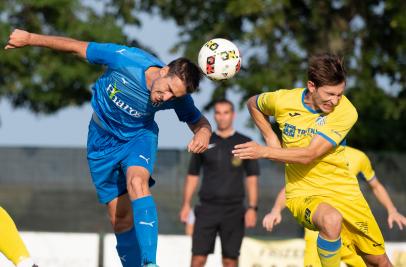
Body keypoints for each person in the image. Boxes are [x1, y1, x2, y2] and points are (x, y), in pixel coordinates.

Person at [5, 29, 212, 267]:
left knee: (137, 182)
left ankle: (150, 263)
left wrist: (204, 132)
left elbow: (198, 121)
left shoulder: (177, 98)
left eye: (173, 96)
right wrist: (30, 39)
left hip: (138, 137)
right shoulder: (125, 59)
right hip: (101, 140)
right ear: (164, 70)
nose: (166, 98)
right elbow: (76, 46)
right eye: (166, 89)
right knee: (120, 220)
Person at [232, 53, 393, 266]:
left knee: (379, 261)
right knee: (331, 219)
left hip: (344, 192)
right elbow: (253, 103)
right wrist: (270, 136)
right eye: (330, 94)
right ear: (312, 86)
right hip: (302, 192)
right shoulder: (283, 100)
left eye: (340, 94)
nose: (335, 100)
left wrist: (265, 151)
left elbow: (309, 155)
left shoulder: (345, 111)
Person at [263, 146, 406, 267]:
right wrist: (276, 210)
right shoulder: (312, 153)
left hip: (350, 227)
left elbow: (375, 185)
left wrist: (392, 210)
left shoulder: (358, 157)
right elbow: (292, 186)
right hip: (320, 230)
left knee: (381, 263)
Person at [179, 99, 260, 267]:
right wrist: (186, 204)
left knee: (230, 260)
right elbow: (193, 174)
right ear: (214, 116)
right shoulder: (204, 141)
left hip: (234, 210)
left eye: (226, 112)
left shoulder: (245, 142)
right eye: (218, 113)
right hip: (207, 208)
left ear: (233, 115)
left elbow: (252, 177)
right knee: (198, 259)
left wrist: (252, 207)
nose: (222, 117)